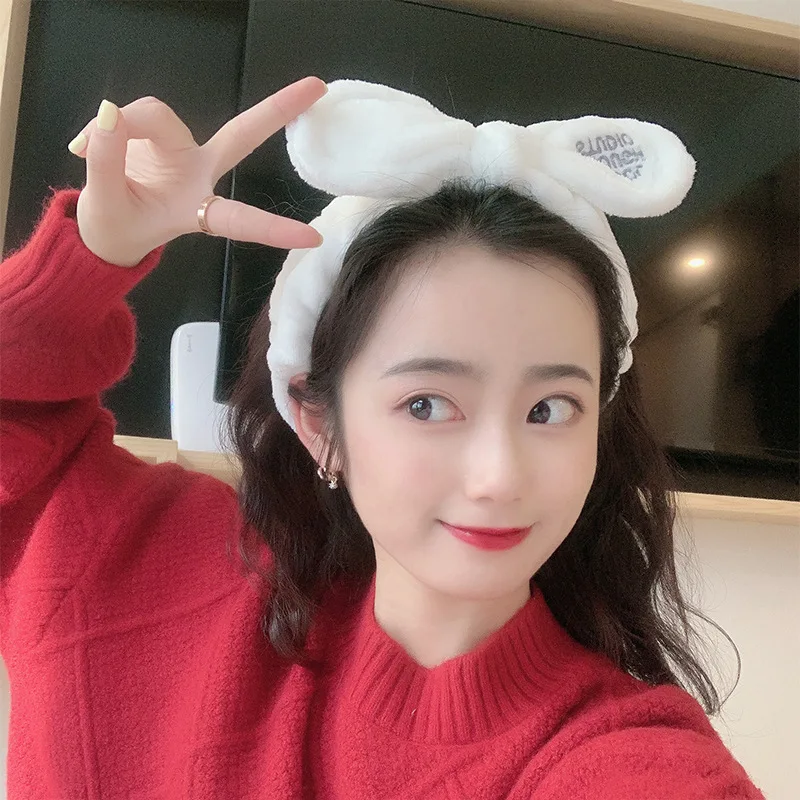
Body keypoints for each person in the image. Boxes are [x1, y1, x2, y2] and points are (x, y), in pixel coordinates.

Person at [0, 75, 766, 799]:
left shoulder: (616, 754)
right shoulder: (144, 567)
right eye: (428, 404)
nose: (499, 477)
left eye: (550, 409)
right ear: (318, 422)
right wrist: (87, 261)